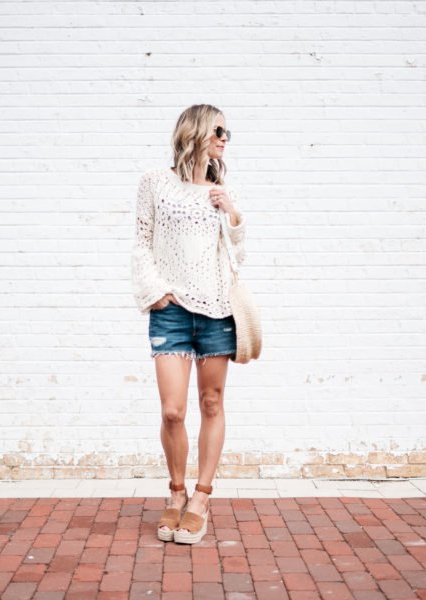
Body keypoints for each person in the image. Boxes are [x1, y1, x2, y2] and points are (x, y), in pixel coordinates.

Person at [130, 104, 247, 545]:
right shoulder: (155, 183)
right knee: (173, 410)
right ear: (196, 131)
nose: (224, 137)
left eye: (227, 132)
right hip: (172, 311)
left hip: (218, 310)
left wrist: (231, 212)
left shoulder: (222, 192)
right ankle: (175, 491)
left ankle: (200, 497)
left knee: (212, 403)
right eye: (219, 129)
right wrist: (155, 291)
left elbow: (239, 255)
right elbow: (141, 242)